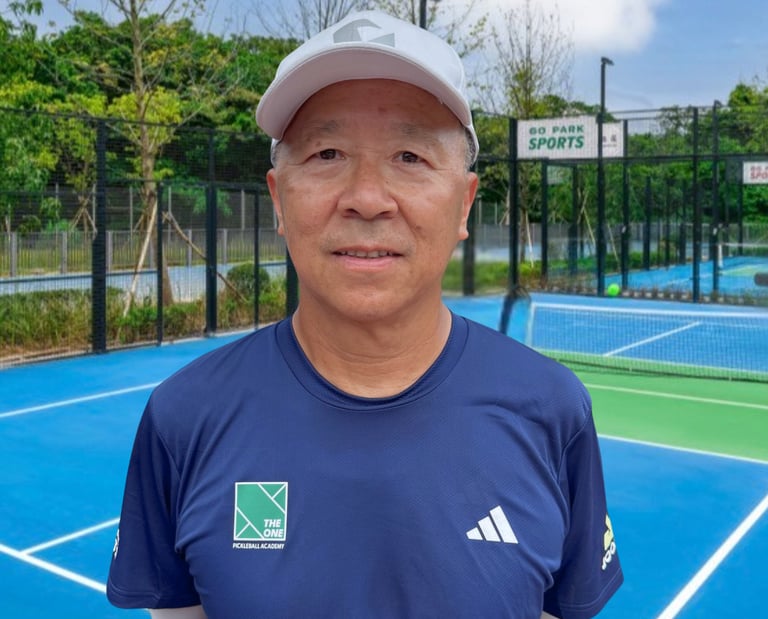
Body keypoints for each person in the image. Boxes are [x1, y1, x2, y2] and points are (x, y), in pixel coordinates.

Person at [107, 10, 623, 619]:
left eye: (410, 156)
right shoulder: (182, 417)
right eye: (327, 153)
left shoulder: (553, 410)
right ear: (277, 198)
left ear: (464, 203)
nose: (368, 199)